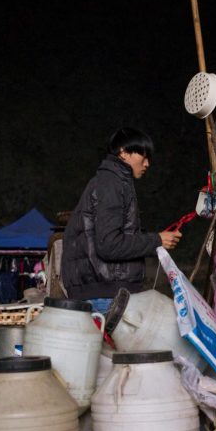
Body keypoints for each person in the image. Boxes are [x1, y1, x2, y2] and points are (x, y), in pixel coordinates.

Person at [61, 127, 182, 313]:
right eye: (143, 155)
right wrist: (156, 240)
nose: (147, 163)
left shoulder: (113, 181)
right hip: (105, 295)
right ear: (123, 153)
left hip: (103, 291)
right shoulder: (111, 183)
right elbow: (109, 245)